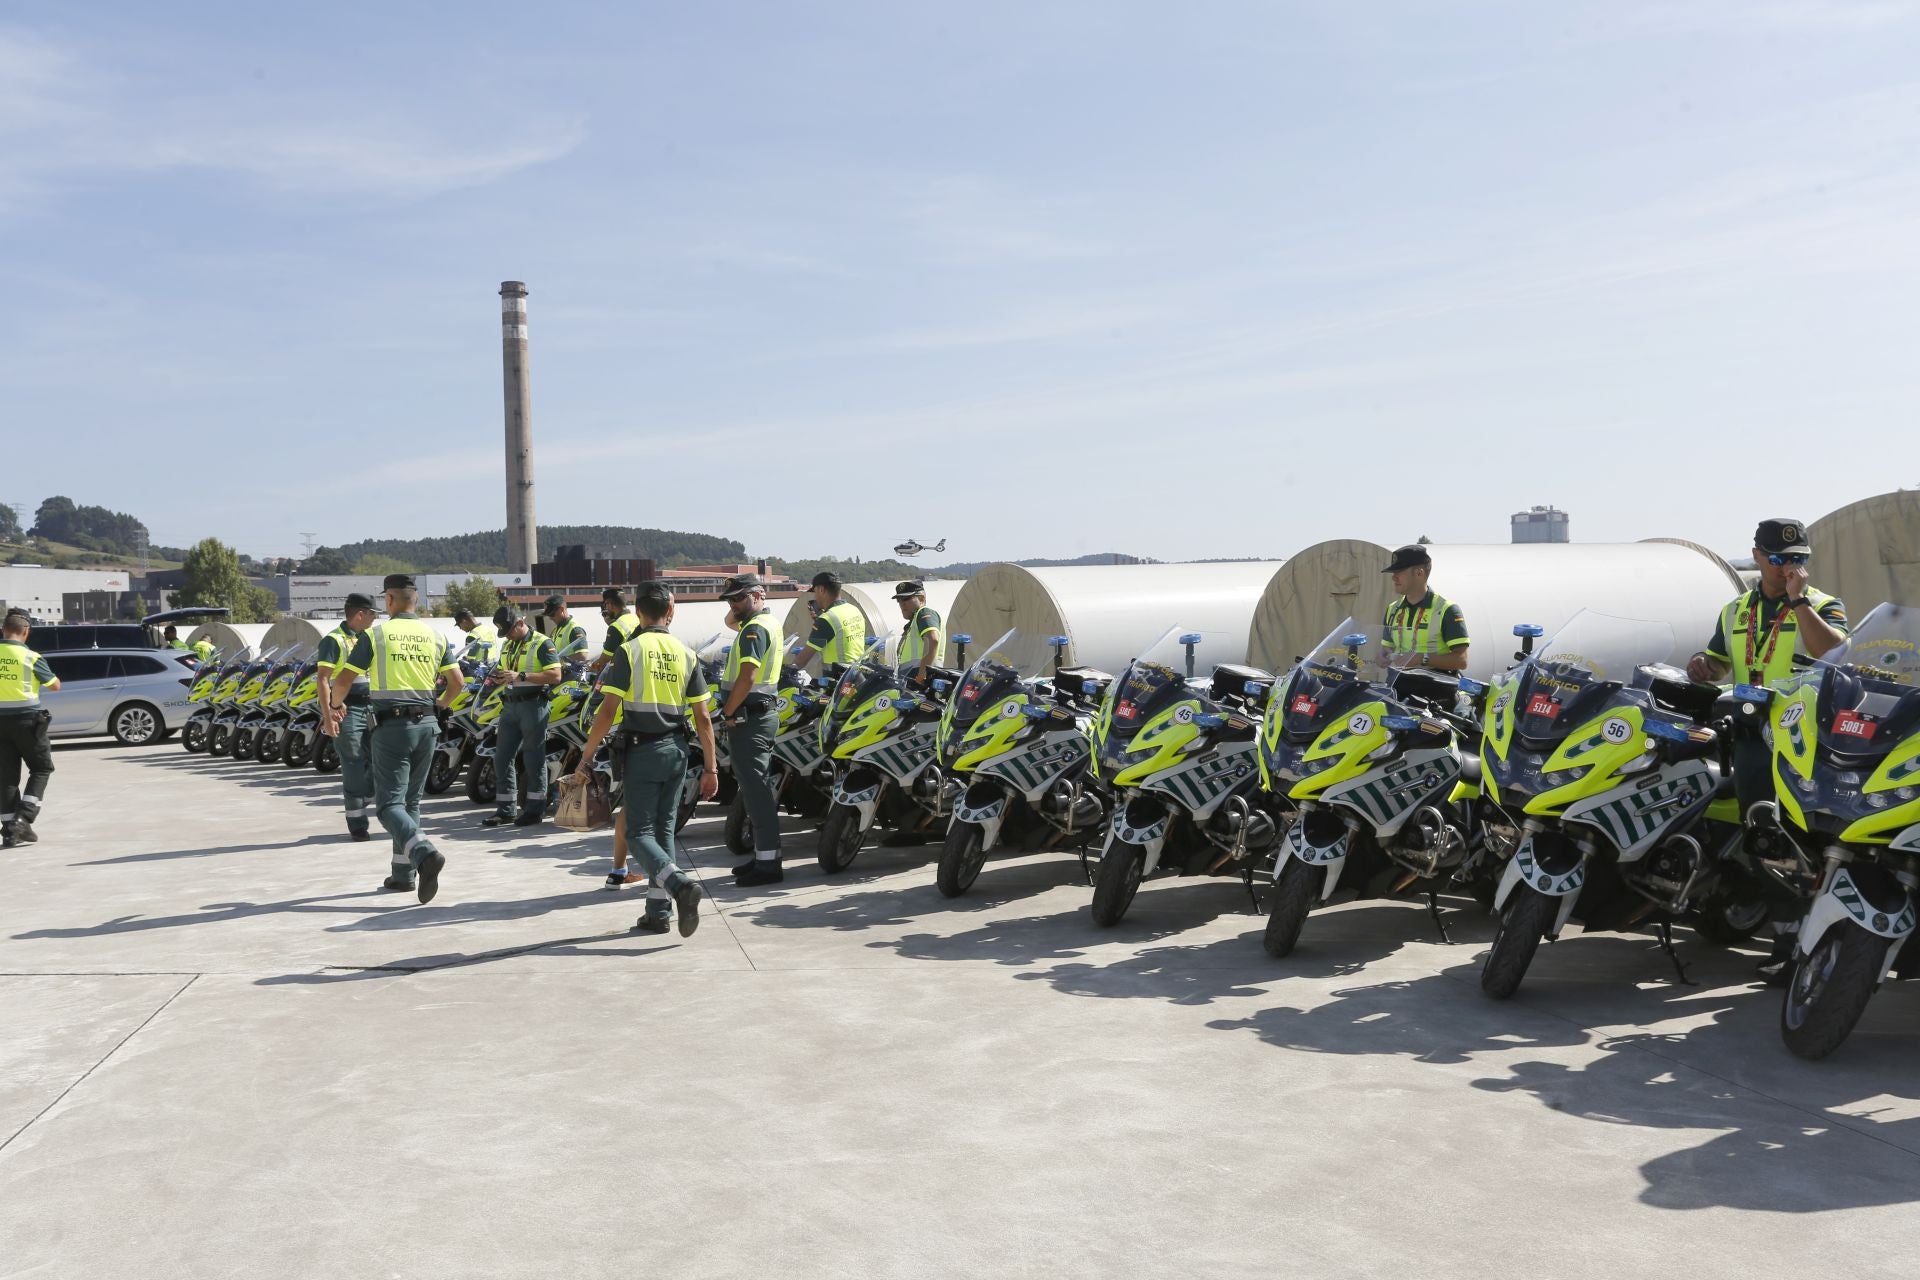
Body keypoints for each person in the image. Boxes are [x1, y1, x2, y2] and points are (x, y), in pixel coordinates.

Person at [1686, 517, 1849, 982]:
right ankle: (1785, 931)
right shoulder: (1736, 609)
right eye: (1778, 559)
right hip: (1751, 735)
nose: (1787, 568)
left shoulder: (1821, 606)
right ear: (1758, 556)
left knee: (1801, 837)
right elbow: (1719, 662)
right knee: (1763, 833)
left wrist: (1798, 603)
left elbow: (1834, 655)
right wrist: (1703, 665)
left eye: (1798, 560)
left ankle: (1806, 936)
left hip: (1805, 742)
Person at [568, 581, 714, 935]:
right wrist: (710, 767)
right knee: (663, 833)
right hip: (678, 752)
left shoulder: (630, 651)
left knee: (636, 832)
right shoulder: (686, 653)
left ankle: (678, 886)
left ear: (637, 612)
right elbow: (704, 717)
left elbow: (607, 712)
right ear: (671, 611)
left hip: (644, 751)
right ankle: (658, 911)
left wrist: (585, 757)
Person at [326, 574, 463, 903]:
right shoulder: (435, 635)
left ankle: (425, 853)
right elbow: (457, 683)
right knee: (411, 803)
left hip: (392, 728)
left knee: (388, 807)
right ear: (414, 599)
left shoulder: (377, 634)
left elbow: (343, 679)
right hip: (428, 725)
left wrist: (334, 705)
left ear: (389, 600)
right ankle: (403, 875)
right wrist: (439, 706)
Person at [715, 573, 788, 885]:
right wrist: (741, 603)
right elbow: (731, 619)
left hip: (749, 716)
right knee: (754, 790)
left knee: (757, 792)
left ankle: (769, 863)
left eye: (741, 597)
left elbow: (748, 676)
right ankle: (763, 855)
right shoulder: (764, 623)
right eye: (731, 598)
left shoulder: (754, 629)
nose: (734, 604)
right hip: (757, 715)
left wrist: (728, 711)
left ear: (759, 595)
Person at [481, 611, 562, 828]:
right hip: (510, 704)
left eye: (508, 631)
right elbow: (503, 669)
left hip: (533, 705)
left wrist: (523, 677)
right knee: (502, 757)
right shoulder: (508, 645)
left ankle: (535, 810)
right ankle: (506, 810)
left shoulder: (543, 643)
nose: (506, 636)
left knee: (534, 758)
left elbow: (555, 675)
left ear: (519, 623)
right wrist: (497, 676)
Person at [315, 593, 379, 841]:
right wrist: (329, 713)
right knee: (352, 763)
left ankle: (365, 795)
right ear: (360, 614)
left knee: (380, 759)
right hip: (346, 709)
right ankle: (357, 824)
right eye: (373, 614)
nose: (375, 619)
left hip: (372, 707)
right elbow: (322, 679)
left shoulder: (369, 638)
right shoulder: (334, 640)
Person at [0, 609, 60, 849]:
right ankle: (23, 818)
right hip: (27, 722)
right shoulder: (31, 657)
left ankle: (9, 832)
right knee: (42, 768)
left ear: (3, 630)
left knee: (5, 777)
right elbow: (55, 685)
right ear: (26, 631)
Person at [1379, 545, 1469, 672]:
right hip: (1398, 686)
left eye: (1399, 572)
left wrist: (1423, 658)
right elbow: (1386, 647)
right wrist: (1383, 655)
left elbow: (1462, 660)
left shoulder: (1447, 610)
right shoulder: (1392, 609)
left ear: (1419, 573)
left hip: (1434, 688)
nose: (1393, 577)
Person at [797, 571, 867, 674]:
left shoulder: (826, 620)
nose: (815, 596)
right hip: (858, 674)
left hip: (837, 679)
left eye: (815, 592)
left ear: (821, 590)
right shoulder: (854, 610)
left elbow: (802, 659)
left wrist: (786, 672)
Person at [893, 581, 946, 686]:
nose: (902, 604)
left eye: (906, 599)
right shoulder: (914, 622)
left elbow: (933, 639)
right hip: (911, 678)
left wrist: (922, 676)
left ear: (921, 599)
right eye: (899, 600)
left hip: (919, 681)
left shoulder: (924, 612)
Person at [543, 593, 591, 664]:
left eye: (552, 614)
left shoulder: (574, 629)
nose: (550, 618)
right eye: (548, 615)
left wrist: (560, 658)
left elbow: (582, 656)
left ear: (562, 609)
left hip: (571, 673)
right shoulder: (557, 628)